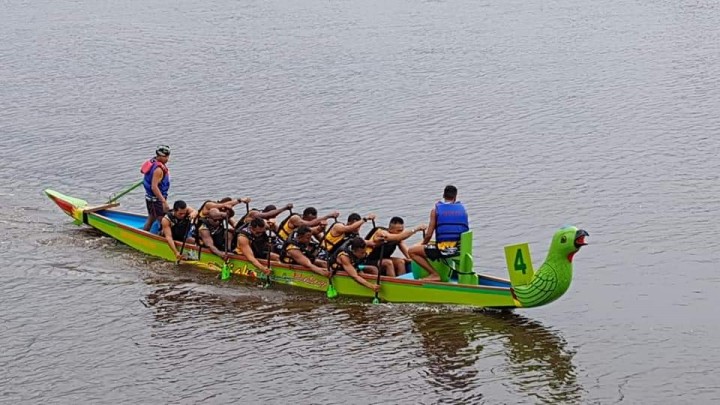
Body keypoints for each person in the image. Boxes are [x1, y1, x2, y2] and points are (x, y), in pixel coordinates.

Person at [408, 185, 469, 281]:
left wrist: (423, 244)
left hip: (444, 249)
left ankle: (434, 274)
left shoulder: (435, 210)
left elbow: (428, 235)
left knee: (411, 251)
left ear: (443, 195)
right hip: (459, 249)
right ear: (455, 197)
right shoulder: (463, 210)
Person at [141, 145, 171, 231]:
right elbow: (154, 187)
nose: (167, 159)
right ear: (160, 156)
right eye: (166, 157)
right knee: (162, 220)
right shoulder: (158, 170)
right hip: (156, 200)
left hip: (150, 198)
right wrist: (164, 202)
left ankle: (145, 232)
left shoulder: (151, 162)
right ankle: (161, 237)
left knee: (151, 218)